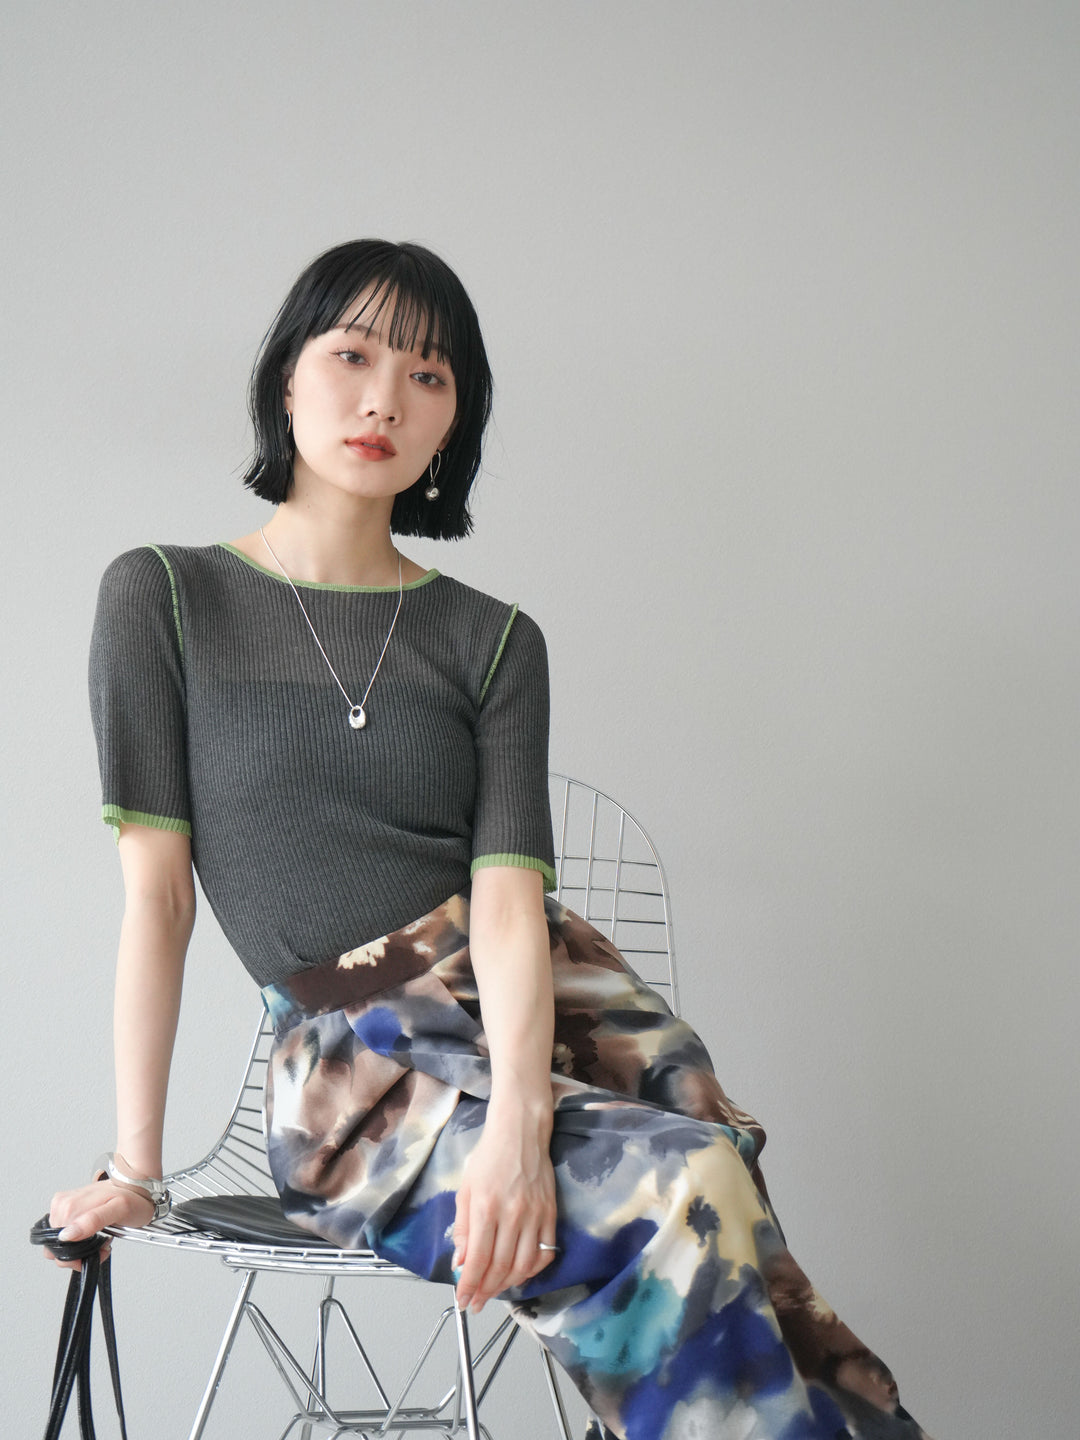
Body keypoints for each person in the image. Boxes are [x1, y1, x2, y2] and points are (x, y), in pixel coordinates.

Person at [46, 239, 932, 1440]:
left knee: (712, 1156)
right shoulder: (163, 596)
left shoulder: (495, 639)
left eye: (428, 376)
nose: (384, 401)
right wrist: (137, 1171)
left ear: (454, 420)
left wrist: (521, 1123)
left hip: (530, 1004)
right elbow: (158, 903)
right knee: (688, 1186)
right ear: (286, 377)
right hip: (354, 1075)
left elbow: (509, 904)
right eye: (353, 357)